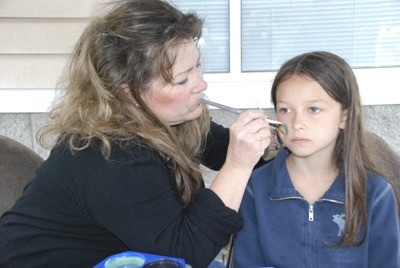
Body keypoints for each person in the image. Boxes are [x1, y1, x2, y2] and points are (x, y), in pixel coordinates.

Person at [0, 0, 272, 267]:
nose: (201, 84)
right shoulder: (113, 156)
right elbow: (185, 254)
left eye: (197, 66)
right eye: (182, 79)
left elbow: (229, 149)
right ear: (129, 92)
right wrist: (237, 166)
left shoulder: (172, 117)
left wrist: (289, 138)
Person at [233, 51, 400, 267]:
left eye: (314, 109)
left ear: (345, 117)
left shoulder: (376, 193)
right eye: (286, 109)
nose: (297, 122)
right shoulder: (255, 188)